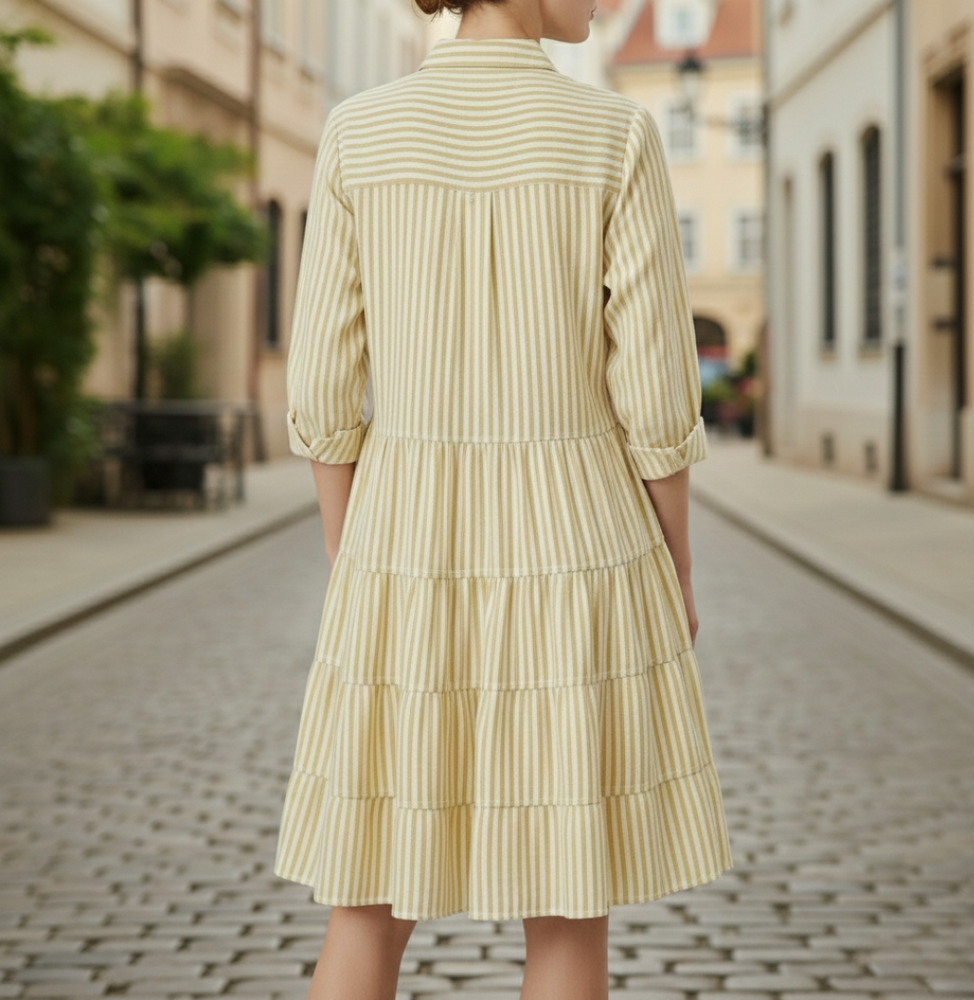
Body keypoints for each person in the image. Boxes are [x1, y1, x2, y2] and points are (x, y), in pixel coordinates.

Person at [271, 0, 734, 993]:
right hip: (580, 542)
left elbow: (321, 390)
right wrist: (678, 567)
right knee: (566, 905)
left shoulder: (357, 133)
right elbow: (657, 398)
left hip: (402, 540)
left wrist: (353, 556)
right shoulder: (615, 136)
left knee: (366, 899)